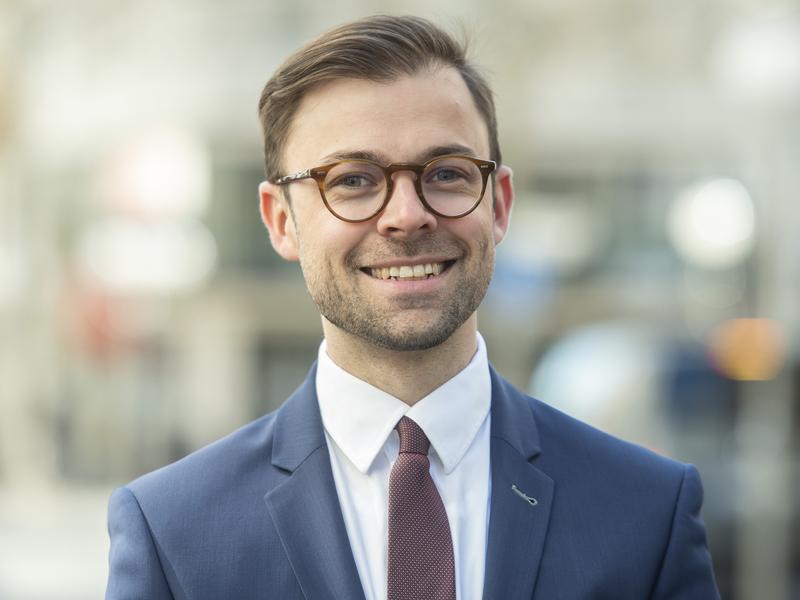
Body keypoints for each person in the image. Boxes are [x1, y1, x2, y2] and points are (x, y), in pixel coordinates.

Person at [106, 15, 720, 600]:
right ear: (281, 221)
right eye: (352, 180)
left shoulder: (645, 512)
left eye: (447, 173)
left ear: (499, 205)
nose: (406, 215)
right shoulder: (173, 531)